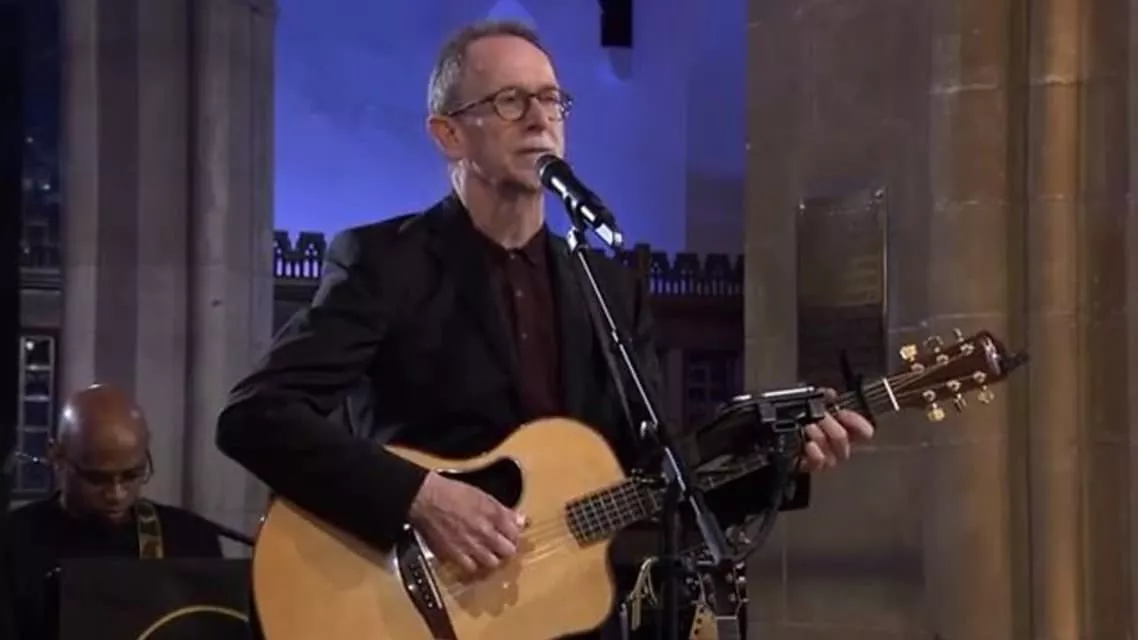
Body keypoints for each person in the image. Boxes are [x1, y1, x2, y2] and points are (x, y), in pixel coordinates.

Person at [215, 19, 875, 639]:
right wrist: (420, 498)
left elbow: (660, 482)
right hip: (405, 607)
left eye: (552, 99)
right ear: (449, 134)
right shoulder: (386, 264)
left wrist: (781, 464)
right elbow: (254, 416)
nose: (539, 117)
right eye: (509, 101)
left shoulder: (607, 289)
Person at [2, 383, 224, 640]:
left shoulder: (192, 538)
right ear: (58, 457)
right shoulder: (12, 542)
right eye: (97, 479)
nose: (116, 494)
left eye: (132, 475)